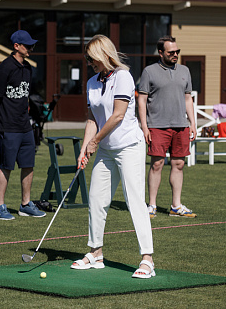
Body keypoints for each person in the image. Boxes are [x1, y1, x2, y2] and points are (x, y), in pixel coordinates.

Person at [71, 35, 155, 278]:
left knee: (134, 200)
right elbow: (92, 118)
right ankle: (95, 252)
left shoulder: (123, 77)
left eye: (93, 58)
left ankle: (147, 259)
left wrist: (95, 142)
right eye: (88, 59)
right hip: (106, 149)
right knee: (97, 199)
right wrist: (84, 148)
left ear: (105, 55)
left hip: (129, 145)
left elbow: (118, 115)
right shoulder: (92, 82)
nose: (90, 63)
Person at [0, 30, 46, 220]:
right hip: (8, 126)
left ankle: (26, 205)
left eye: (32, 45)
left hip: (24, 126)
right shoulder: (5, 68)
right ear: (16, 46)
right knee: (7, 166)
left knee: (28, 165)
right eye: (28, 46)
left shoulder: (27, 68)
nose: (31, 49)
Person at [138, 36, 197, 218]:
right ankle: (152, 206)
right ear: (161, 52)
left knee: (178, 164)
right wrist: (144, 126)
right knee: (157, 164)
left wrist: (192, 123)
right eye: (171, 52)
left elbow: (188, 99)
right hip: (157, 126)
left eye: (177, 51)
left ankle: (175, 206)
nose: (175, 55)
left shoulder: (185, 71)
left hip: (181, 126)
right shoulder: (149, 72)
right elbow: (142, 99)